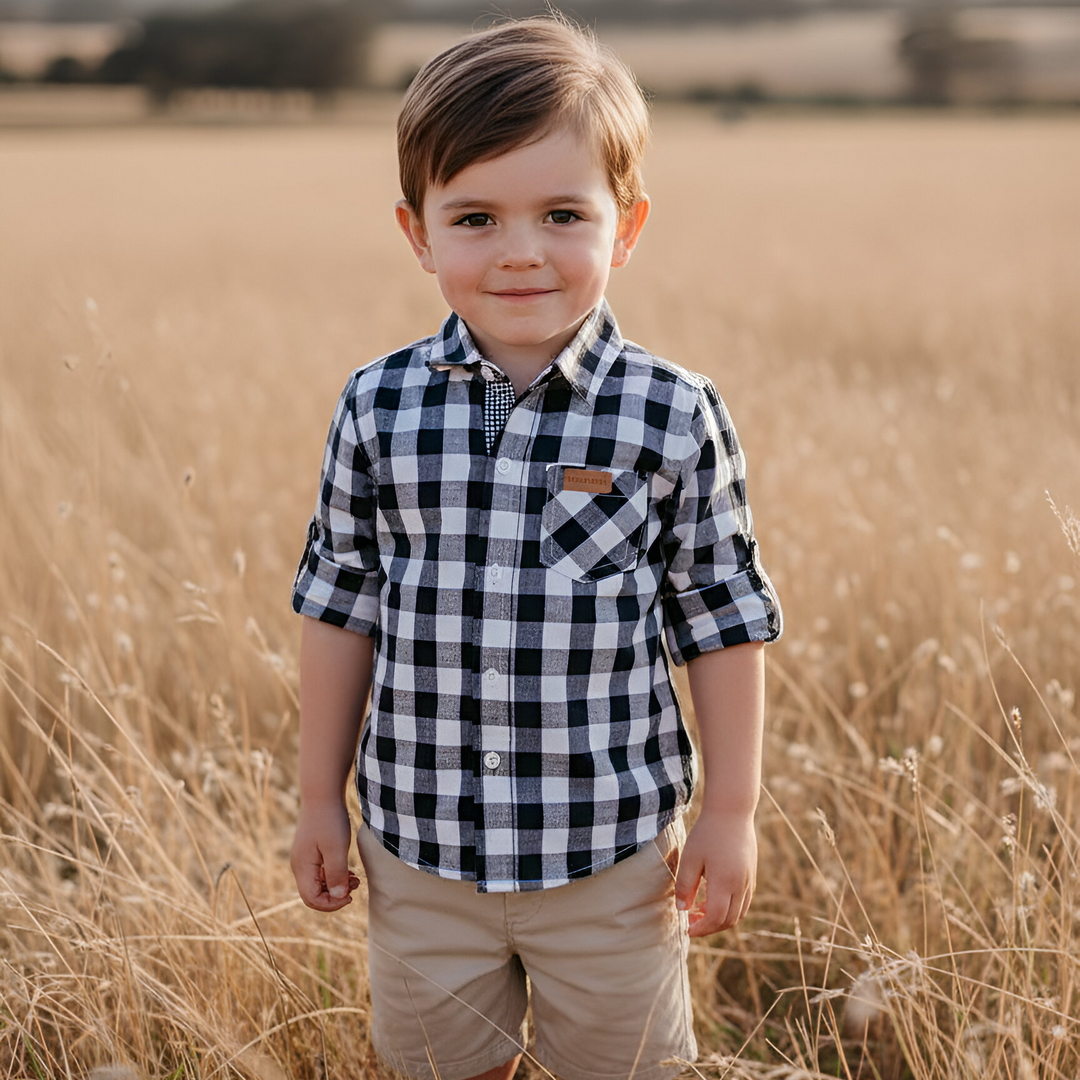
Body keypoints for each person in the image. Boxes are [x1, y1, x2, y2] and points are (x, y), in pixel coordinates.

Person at [290, 17, 782, 1080]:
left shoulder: (673, 414)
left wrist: (732, 814)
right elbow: (340, 606)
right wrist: (316, 797)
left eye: (563, 213)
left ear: (628, 224)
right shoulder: (377, 407)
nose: (520, 249)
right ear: (418, 233)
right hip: (418, 854)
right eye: (475, 217)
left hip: (610, 864)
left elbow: (723, 619)